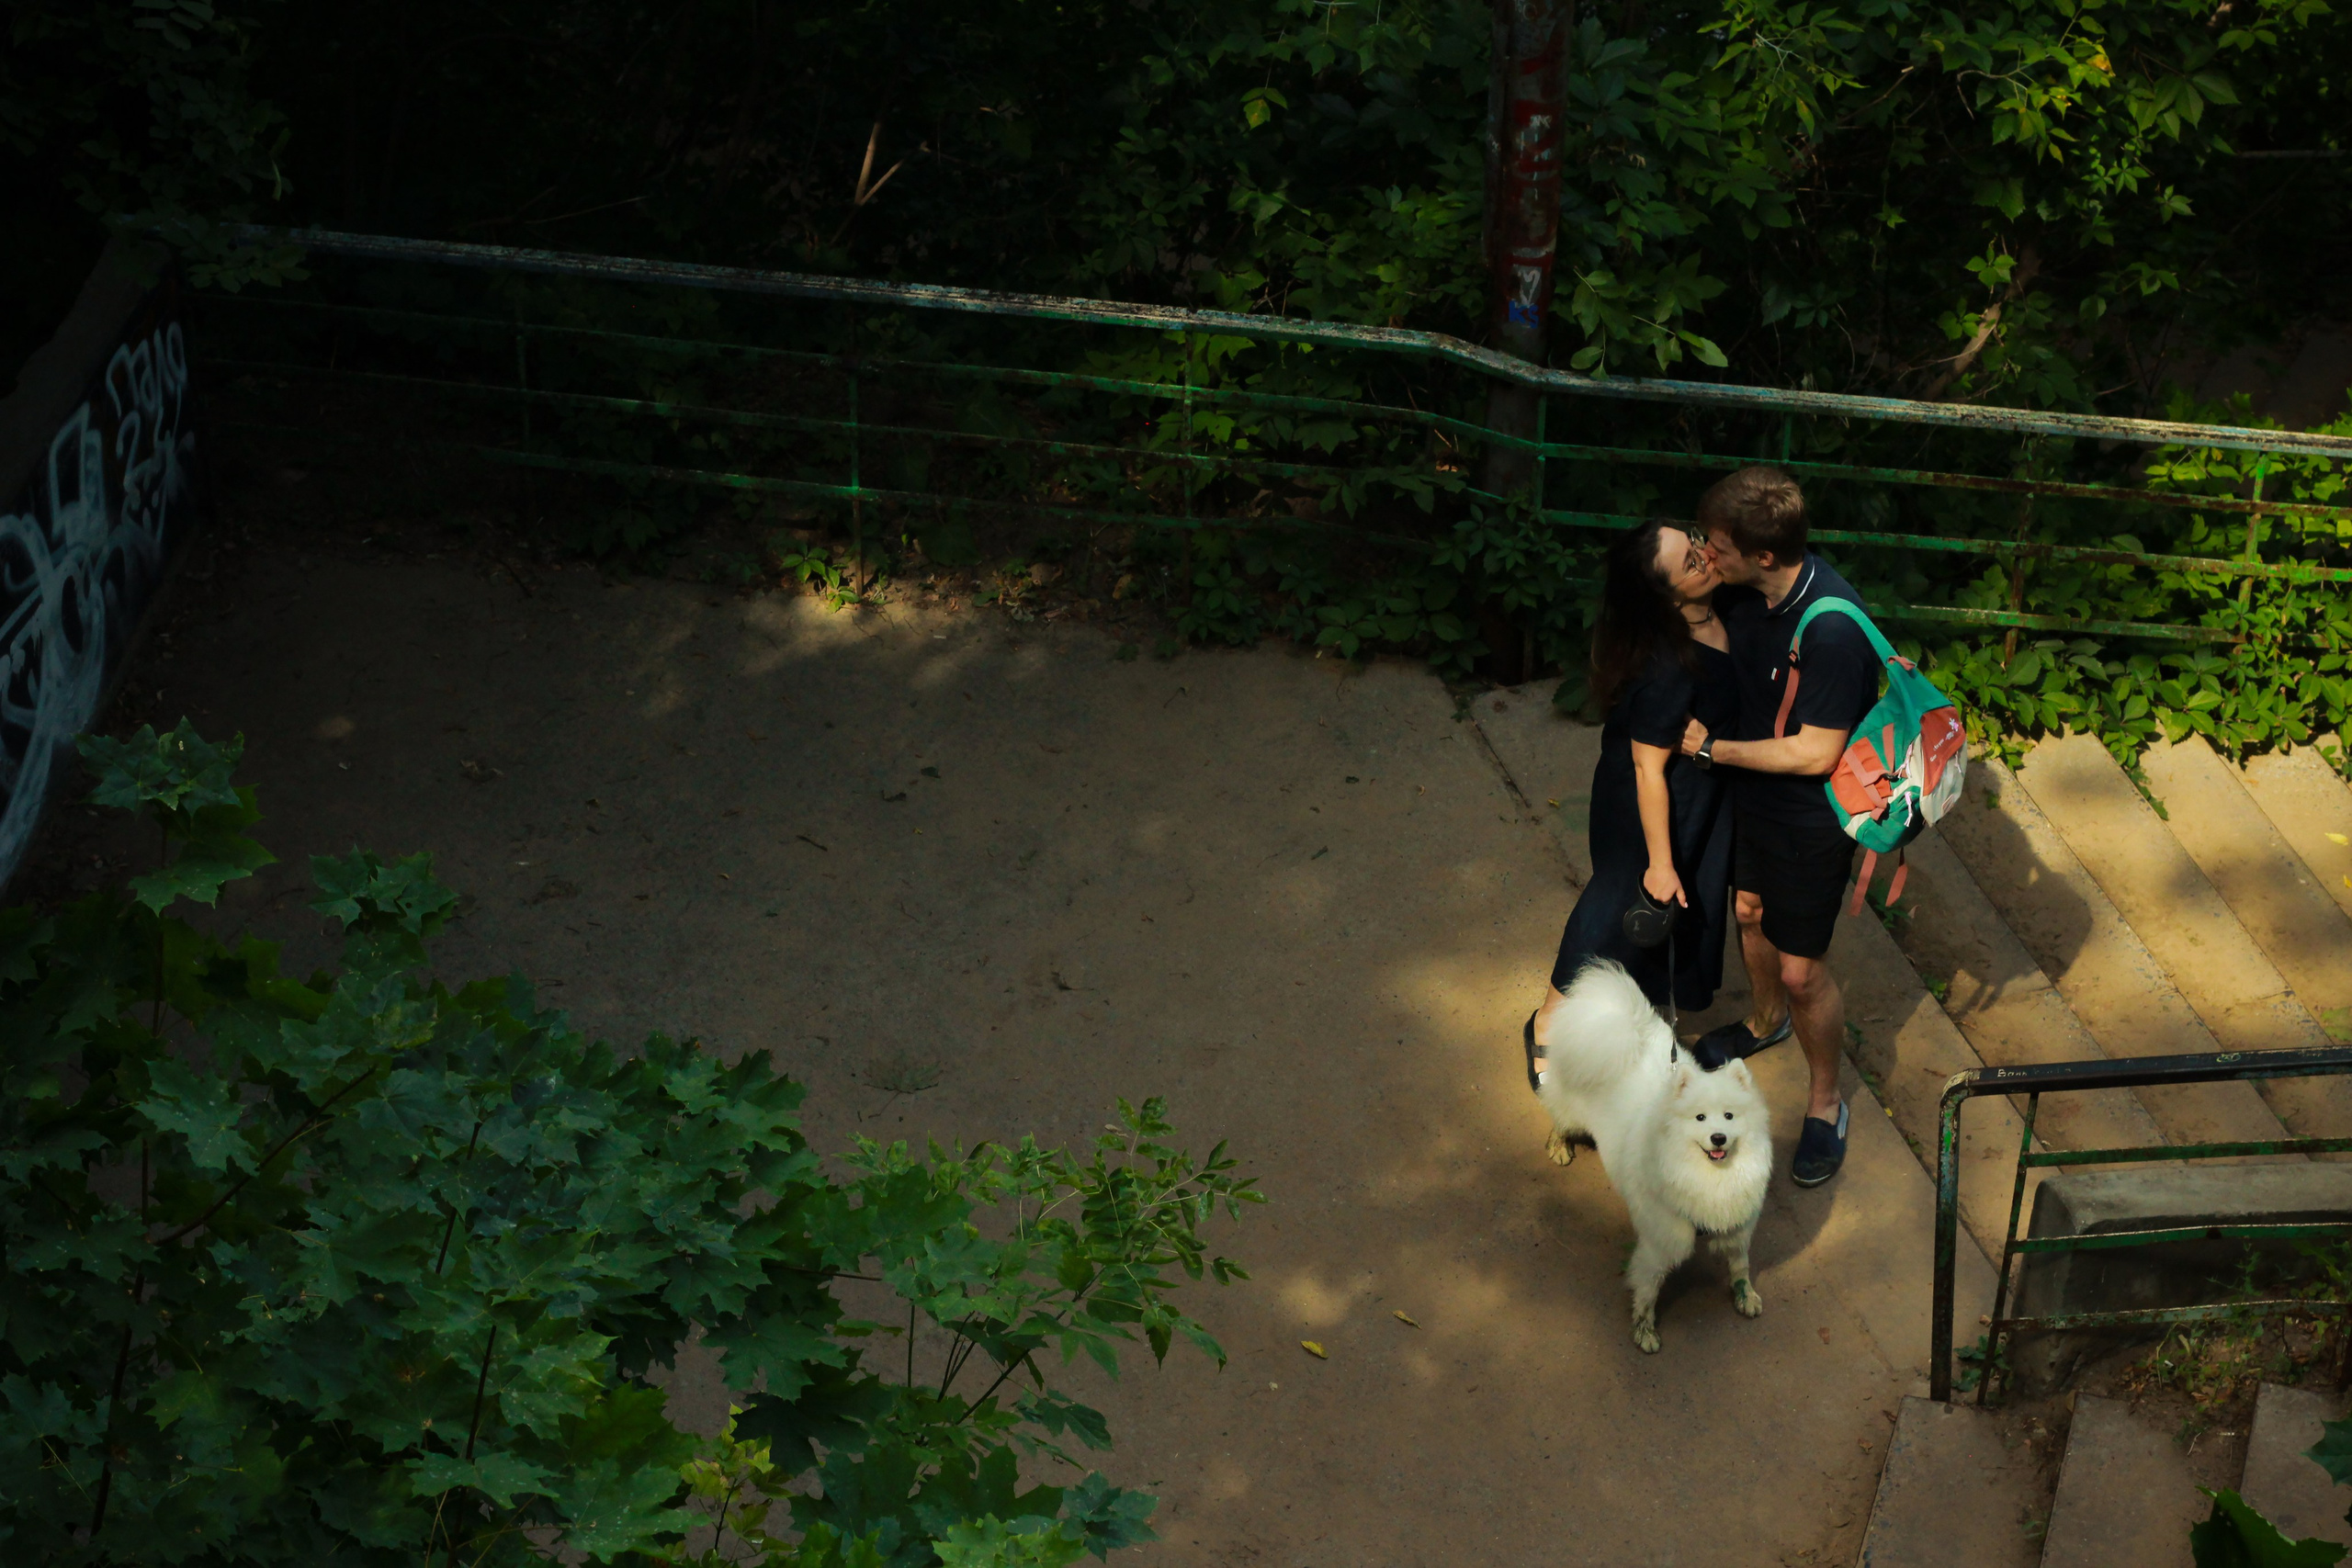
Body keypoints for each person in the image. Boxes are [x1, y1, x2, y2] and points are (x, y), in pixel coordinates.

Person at [1676, 466, 1880, 1188]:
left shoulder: (1829, 630)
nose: (1708, 556)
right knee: (1748, 909)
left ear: (1765, 555)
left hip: (1810, 812)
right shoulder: (1748, 587)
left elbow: (1816, 751)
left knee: (1802, 970)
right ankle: (1765, 1024)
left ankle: (1825, 1104)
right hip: (1755, 793)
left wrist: (1711, 749)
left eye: (1718, 546)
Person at [1524, 519, 1738, 1092]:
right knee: (1617, 902)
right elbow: (1647, 768)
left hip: (1694, 793)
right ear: (1668, 597)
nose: (1704, 555)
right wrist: (1660, 862)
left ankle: (1635, 1028)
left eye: (1694, 541)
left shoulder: (1725, 607)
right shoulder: (1670, 665)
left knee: (1657, 922)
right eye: (1690, 561)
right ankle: (1547, 1018)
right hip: (1647, 800)